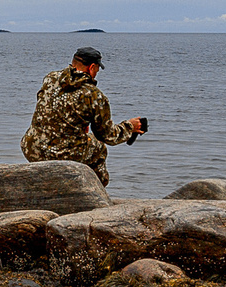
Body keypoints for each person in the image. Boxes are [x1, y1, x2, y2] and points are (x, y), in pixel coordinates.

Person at [20, 46, 145, 184]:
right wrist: (129, 127)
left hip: (32, 148)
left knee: (82, 138)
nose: (96, 73)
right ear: (92, 67)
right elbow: (107, 136)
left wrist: (77, 123)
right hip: (60, 155)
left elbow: (48, 107)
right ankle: (93, 190)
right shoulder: (93, 95)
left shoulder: (50, 78)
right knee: (98, 147)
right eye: (97, 69)